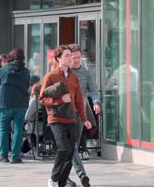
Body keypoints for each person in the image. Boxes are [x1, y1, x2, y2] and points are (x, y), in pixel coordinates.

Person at [40, 45, 91, 187]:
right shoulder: (50, 76)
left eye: (71, 55)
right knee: (63, 149)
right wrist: (60, 100)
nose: (70, 58)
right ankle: (53, 179)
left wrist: (85, 119)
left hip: (72, 119)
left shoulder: (74, 77)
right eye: (67, 56)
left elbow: (79, 100)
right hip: (56, 119)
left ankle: (61, 183)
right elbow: (42, 99)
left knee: (69, 153)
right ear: (58, 59)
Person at [67, 44, 101, 187]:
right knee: (68, 146)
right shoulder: (64, 72)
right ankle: (78, 174)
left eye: (78, 57)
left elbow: (93, 89)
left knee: (72, 145)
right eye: (73, 58)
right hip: (65, 113)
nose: (76, 60)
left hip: (80, 112)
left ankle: (66, 176)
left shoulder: (86, 72)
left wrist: (96, 102)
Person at [0, 48, 30, 164]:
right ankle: (15, 157)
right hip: (21, 103)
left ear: (11, 57)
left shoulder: (4, 69)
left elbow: (0, 82)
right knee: (18, 129)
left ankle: (4, 155)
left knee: (4, 129)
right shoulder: (26, 71)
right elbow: (27, 85)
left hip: (6, 102)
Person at [24, 82, 42, 156]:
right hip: (43, 127)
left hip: (34, 127)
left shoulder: (34, 100)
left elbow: (27, 116)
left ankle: (32, 149)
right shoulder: (45, 99)